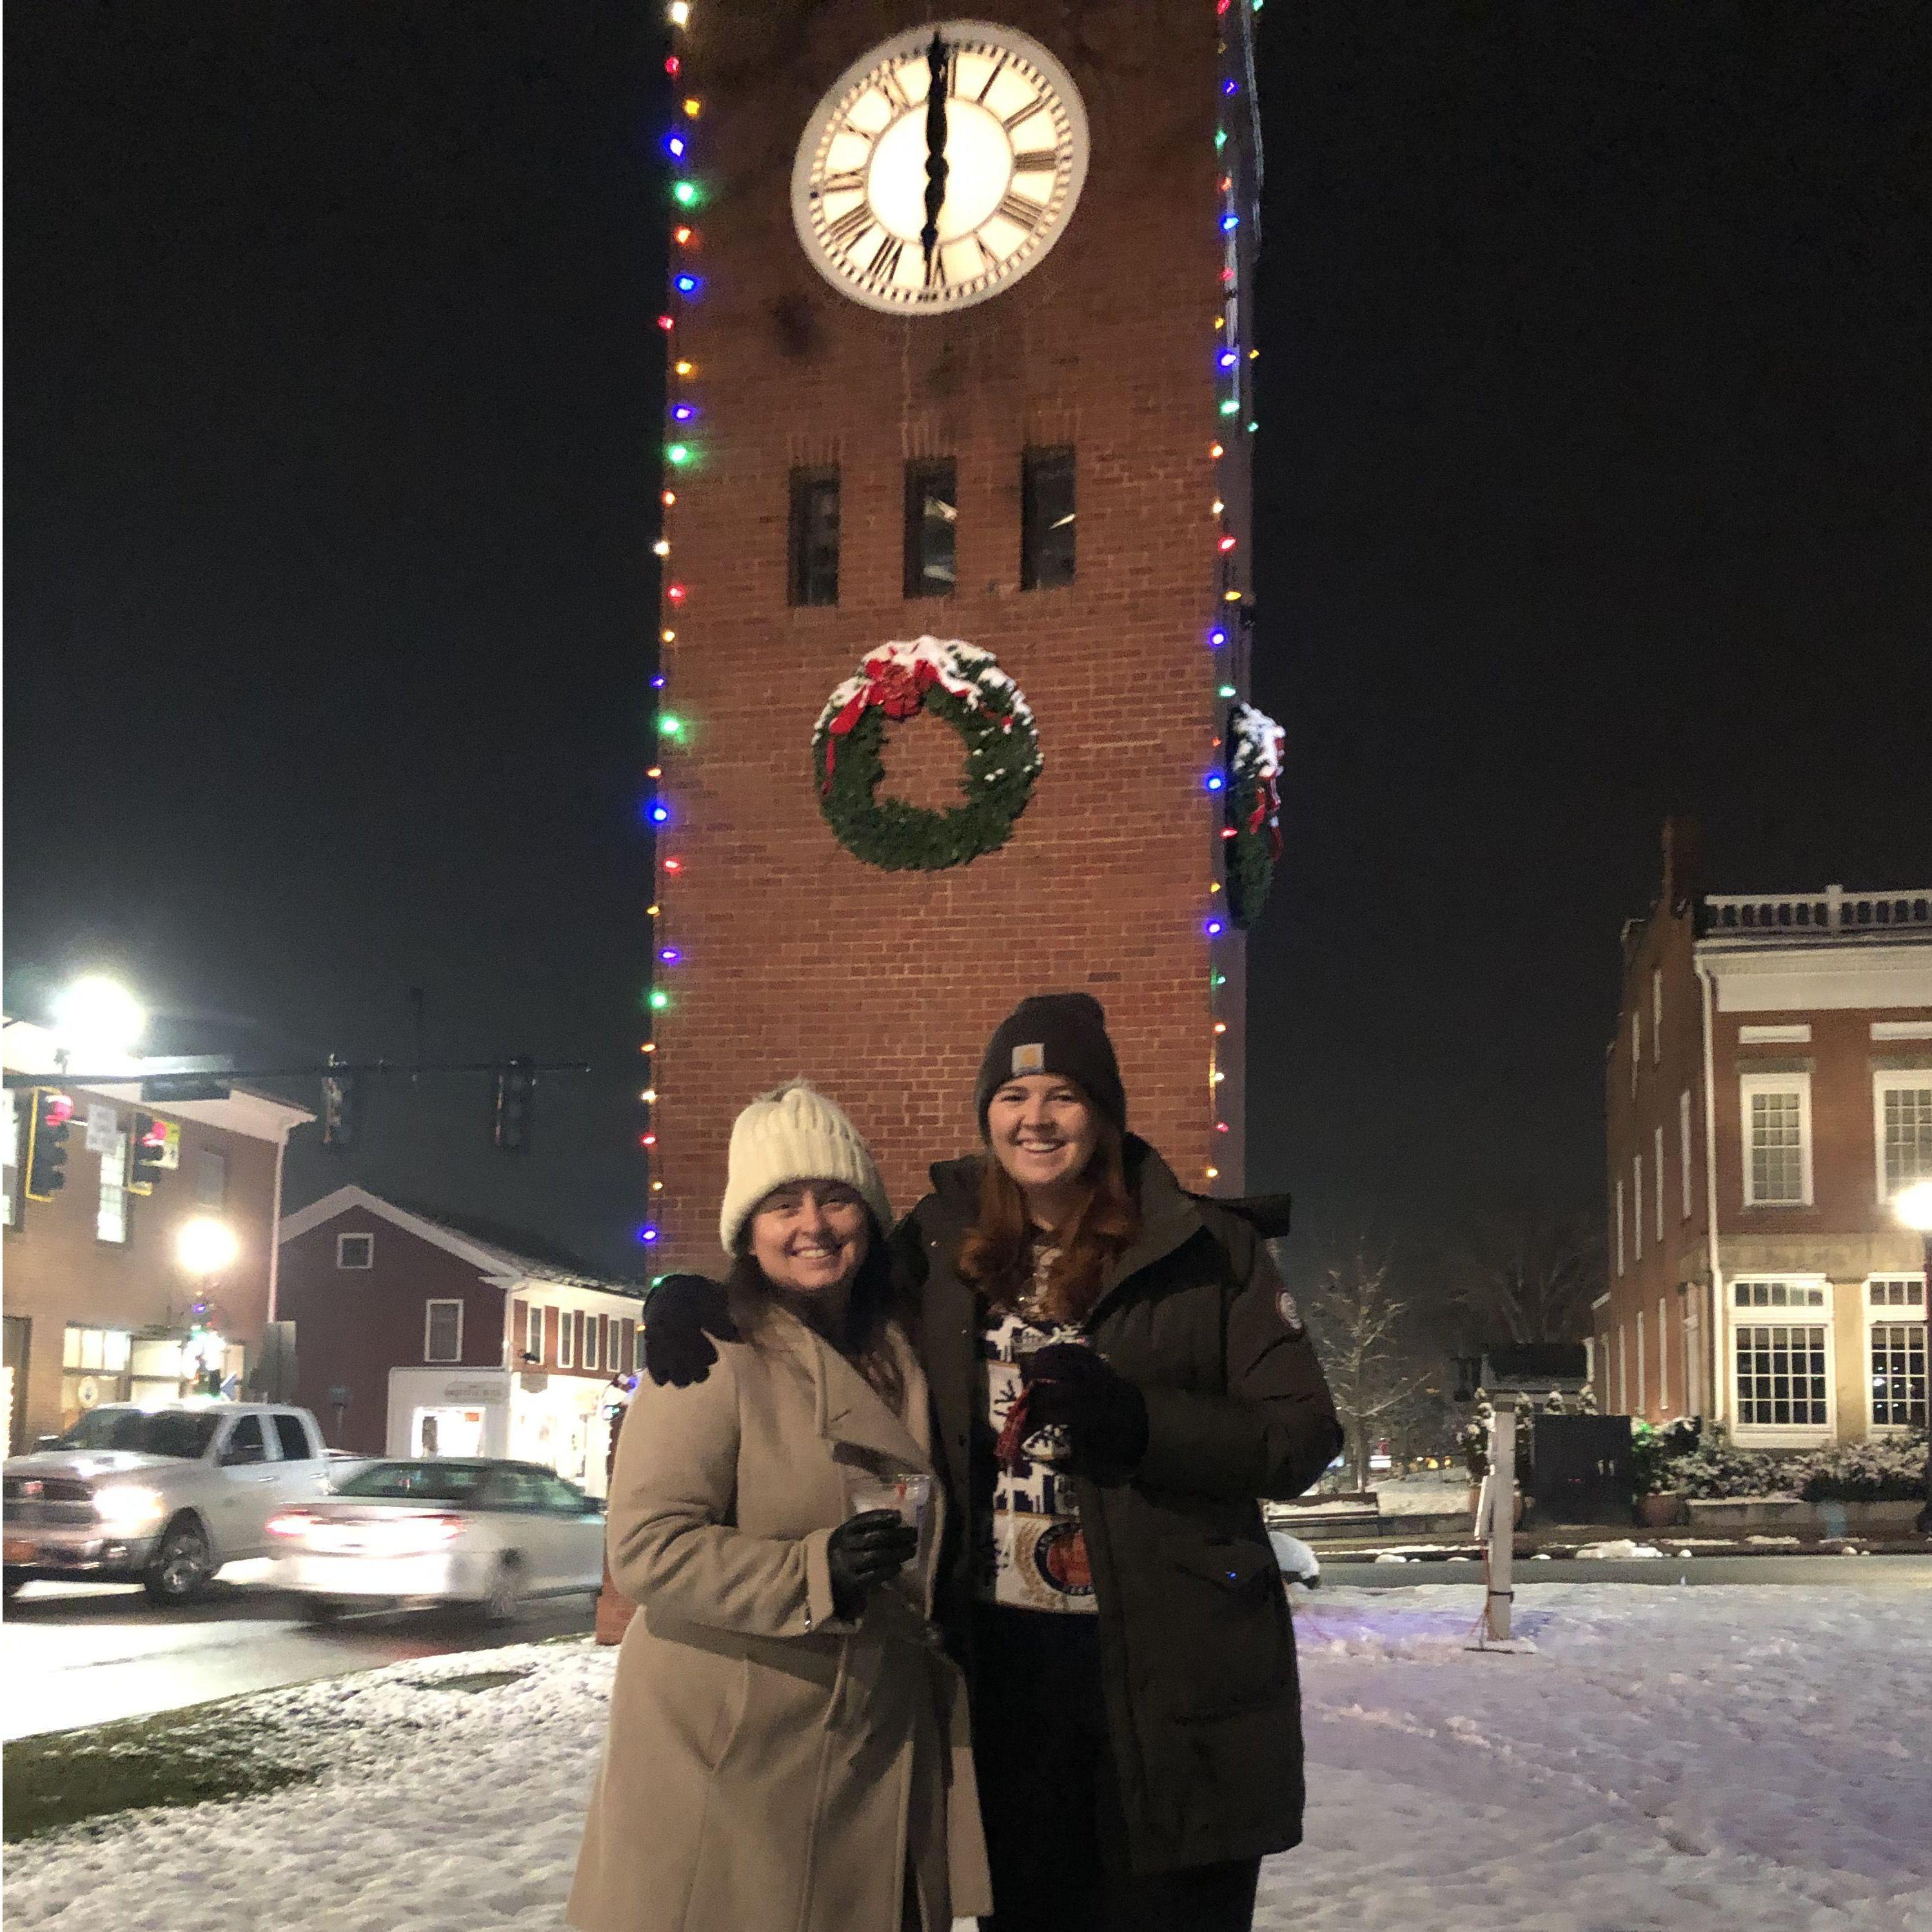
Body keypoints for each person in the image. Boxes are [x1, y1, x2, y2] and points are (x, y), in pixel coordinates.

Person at [646, 996, 1343, 1932]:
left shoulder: (1208, 1250)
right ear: (988, 1114)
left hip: (1174, 1664)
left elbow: (1301, 1437)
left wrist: (1140, 1424)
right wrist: (705, 1294)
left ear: (1103, 1110)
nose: (1037, 1118)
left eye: (1064, 1093)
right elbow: (820, 1277)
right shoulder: (939, 1244)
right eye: (1014, 1094)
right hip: (1001, 1670)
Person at [569, 1081, 991, 1932]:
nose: (813, 1225)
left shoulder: (899, 1345)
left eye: (835, 1198)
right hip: (733, 1763)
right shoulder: (710, 1350)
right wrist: (814, 1570)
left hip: (867, 1738)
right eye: (782, 1204)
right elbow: (648, 1547)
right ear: (747, 1231)